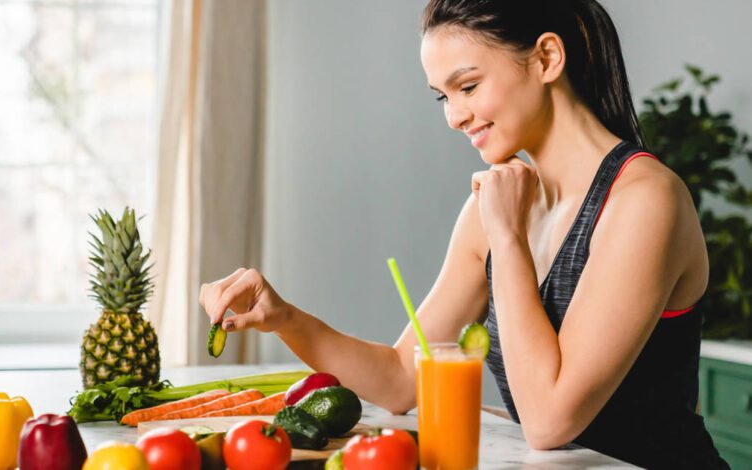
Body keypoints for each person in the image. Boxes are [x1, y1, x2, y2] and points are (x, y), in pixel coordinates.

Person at [200, 0, 729, 467]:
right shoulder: (497, 208)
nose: (454, 116)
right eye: (441, 97)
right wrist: (286, 318)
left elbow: (549, 421)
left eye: (468, 86)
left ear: (547, 58)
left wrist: (507, 237)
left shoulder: (643, 200)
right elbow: (401, 378)